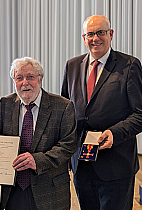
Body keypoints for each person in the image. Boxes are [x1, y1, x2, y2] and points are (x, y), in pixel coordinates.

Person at [61, 15, 142, 210]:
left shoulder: (129, 65)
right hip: (82, 163)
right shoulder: (72, 66)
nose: (95, 38)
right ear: (83, 37)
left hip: (116, 165)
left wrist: (114, 133)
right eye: (90, 34)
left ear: (111, 34)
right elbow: (65, 111)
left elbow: (140, 114)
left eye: (100, 33)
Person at [0, 57, 77, 210]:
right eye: (19, 78)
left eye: (30, 77)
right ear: (14, 82)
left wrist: (36, 160)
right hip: (14, 189)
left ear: (40, 79)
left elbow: (68, 145)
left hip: (50, 190)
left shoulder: (63, 106)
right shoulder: (5, 104)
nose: (25, 83)